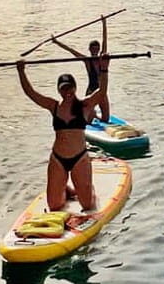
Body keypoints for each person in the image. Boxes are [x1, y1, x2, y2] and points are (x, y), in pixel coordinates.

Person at [15, 55, 109, 211]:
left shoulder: (84, 105)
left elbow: (102, 91)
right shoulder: (54, 106)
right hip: (58, 158)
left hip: (80, 158)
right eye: (63, 88)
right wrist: (21, 72)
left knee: (87, 204)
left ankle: (87, 189)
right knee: (54, 205)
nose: (67, 92)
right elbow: (31, 94)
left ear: (75, 87)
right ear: (59, 90)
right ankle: (66, 188)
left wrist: (104, 68)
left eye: (70, 87)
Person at [51, 15, 110, 122]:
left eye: (97, 49)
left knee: (106, 119)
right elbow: (71, 50)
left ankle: (97, 117)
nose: (95, 52)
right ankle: (92, 116)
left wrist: (104, 23)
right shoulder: (87, 61)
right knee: (89, 120)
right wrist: (57, 42)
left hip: (102, 91)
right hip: (92, 91)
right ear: (90, 50)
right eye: (93, 49)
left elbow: (105, 40)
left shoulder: (103, 58)